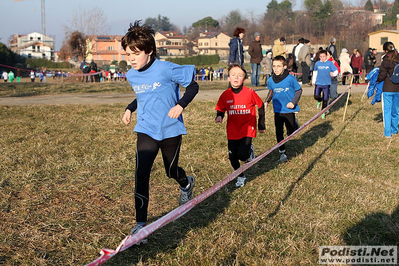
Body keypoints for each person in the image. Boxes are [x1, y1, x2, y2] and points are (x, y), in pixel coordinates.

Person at [121, 20, 199, 241]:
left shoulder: (166, 68)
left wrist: (180, 105)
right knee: (141, 174)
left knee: (170, 169)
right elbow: (144, 95)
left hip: (170, 129)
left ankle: (186, 183)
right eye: (128, 54)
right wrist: (130, 108)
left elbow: (193, 85)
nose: (131, 59)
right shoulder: (132, 75)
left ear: (150, 51)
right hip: (146, 129)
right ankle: (140, 226)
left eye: (135, 53)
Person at [215, 63, 265, 187]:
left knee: (242, 155)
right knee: (232, 158)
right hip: (232, 130)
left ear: (244, 79)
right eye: (233, 75)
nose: (236, 78)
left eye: (240, 75)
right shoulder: (225, 95)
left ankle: (248, 151)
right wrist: (219, 115)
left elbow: (260, 105)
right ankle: (240, 176)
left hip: (247, 129)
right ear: (228, 78)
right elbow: (221, 108)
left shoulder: (250, 92)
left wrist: (261, 124)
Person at [264, 55, 302, 163]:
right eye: (274, 66)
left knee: (291, 132)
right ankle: (282, 153)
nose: (276, 69)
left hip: (289, 109)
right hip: (278, 110)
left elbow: (299, 90)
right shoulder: (271, 80)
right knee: (279, 132)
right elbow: (271, 91)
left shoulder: (290, 78)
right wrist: (267, 101)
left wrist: (293, 102)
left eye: (279, 66)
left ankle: (294, 124)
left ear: (284, 66)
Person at [377, 41, 399, 138]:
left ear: (386, 51)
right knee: (396, 110)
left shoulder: (386, 60)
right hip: (397, 88)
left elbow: (381, 75)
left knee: (387, 110)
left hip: (388, 88)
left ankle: (387, 133)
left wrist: (377, 81)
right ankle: (395, 130)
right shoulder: (398, 58)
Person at [311, 50, 338, 119]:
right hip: (318, 83)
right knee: (316, 96)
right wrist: (313, 80)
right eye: (321, 57)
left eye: (323, 56)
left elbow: (336, 71)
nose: (322, 58)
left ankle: (323, 112)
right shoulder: (317, 64)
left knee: (325, 99)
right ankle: (319, 100)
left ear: (326, 56)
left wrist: (333, 74)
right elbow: (315, 72)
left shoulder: (330, 63)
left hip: (326, 84)